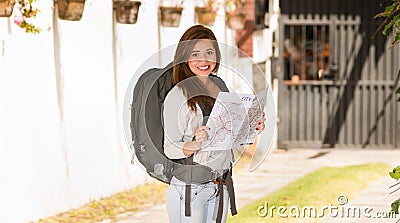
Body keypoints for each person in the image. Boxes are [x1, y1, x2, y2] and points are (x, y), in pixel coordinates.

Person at [162, 25, 266, 223]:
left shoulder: (220, 86)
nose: (204, 60)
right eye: (196, 54)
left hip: (220, 185)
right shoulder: (178, 95)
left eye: (209, 52)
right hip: (190, 190)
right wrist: (195, 143)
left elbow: (231, 132)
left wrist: (253, 125)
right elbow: (169, 148)